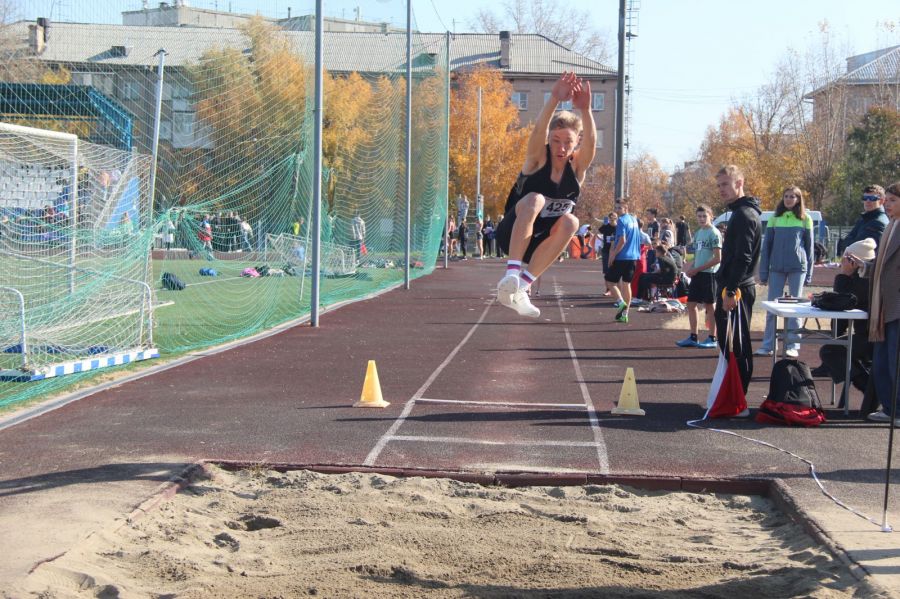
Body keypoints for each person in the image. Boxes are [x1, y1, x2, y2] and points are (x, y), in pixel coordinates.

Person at [494, 71, 596, 317]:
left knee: (572, 220)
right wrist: (553, 99)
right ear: (549, 139)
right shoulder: (537, 159)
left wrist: (586, 110)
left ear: (576, 144)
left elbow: (591, 144)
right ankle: (511, 275)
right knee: (536, 198)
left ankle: (522, 289)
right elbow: (538, 131)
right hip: (512, 234)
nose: (560, 147)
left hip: (540, 243)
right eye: (556, 140)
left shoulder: (577, 170)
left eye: (567, 142)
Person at [850, 182, 899, 424]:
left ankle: (898, 410)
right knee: (881, 362)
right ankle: (890, 408)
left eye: (892, 200)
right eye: (886, 199)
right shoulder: (891, 226)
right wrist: (864, 266)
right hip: (882, 306)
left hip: (896, 306)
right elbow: (881, 266)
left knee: (894, 360)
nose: (886, 204)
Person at [714, 165, 762, 399]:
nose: (721, 189)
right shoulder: (740, 213)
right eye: (719, 185)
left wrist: (731, 291)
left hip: (739, 288)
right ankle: (733, 394)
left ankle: (738, 398)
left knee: (737, 346)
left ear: (739, 183)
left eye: (725, 184)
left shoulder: (744, 215)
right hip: (735, 285)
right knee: (729, 344)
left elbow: (743, 257)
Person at [756, 186, 814, 358]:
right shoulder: (775, 218)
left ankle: (792, 345)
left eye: (792, 197)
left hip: (798, 267)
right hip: (777, 268)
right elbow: (766, 248)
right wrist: (764, 272)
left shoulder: (805, 219)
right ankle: (768, 345)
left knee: (795, 308)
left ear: (798, 199)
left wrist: (809, 273)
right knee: (772, 307)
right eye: (786, 196)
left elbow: (809, 248)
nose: (789, 199)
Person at [814, 238, 874, 405]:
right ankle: (870, 387)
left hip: (872, 338)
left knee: (830, 351)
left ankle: (870, 389)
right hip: (871, 335)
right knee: (840, 350)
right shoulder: (865, 280)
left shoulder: (861, 282)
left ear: (853, 261)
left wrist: (844, 275)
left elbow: (841, 310)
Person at [677, 204, 721, 349]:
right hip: (698, 274)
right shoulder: (698, 233)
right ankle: (693, 336)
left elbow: (717, 258)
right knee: (691, 304)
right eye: (699, 216)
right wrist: (691, 268)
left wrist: (698, 269)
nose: (702, 219)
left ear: (711, 217)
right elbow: (697, 255)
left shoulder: (714, 233)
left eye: (704, 216)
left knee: (710, 306)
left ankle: (712, 337)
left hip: (710, 274)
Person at [605, 198, 640, 323]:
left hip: (622, 257)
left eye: (619, 208)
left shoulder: (621, 220)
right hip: (633, 257)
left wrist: (613, 254)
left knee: (610, 281)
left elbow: (622, 240)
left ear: (626, 208)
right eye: (616, 207)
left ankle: (620, 303)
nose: (617, 210)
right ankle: (625, 314)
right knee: (626, 284)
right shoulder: (634, 220)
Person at [837, 185, 889, 254]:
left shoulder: (878, 222)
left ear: (881, 201)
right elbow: (849, 242)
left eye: (872, 198)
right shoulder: (864, 219)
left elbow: (860, 248)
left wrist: (845, 243)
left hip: (867, 263)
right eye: (865, 198)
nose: (867, 201)